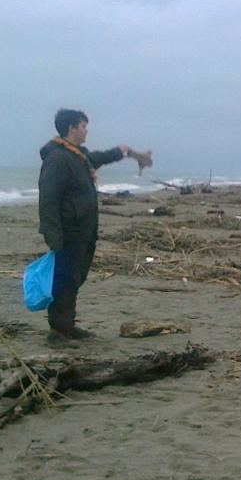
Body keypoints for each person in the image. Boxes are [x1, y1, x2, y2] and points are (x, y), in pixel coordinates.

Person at [38, 108, 152, 342]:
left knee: (76, 277)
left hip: (84, 230)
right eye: (83, 126)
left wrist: (126, 152)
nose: (86, 130)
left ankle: (66, 324)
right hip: (68, 232)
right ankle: (59, 329)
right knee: (65, 279)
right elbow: (48, 198)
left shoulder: (80, 156)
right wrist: (52, 235)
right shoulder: (58, 158)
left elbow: (101, 157)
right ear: (71, 128)